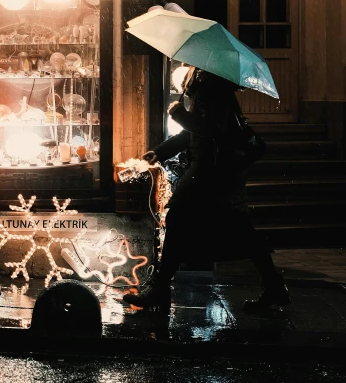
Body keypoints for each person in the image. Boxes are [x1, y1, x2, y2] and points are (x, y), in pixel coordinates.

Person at [123, 65, 290, 313]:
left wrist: (180, 115)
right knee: (239, 231)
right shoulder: (209, 89)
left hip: (211, 173)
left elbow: (211, 131)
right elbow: (194, 135)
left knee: (181, 220)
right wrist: (159, 152)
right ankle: (274, 286)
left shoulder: (212, 90)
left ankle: (159, 288)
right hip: (212, 173)